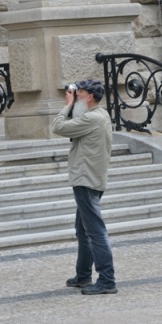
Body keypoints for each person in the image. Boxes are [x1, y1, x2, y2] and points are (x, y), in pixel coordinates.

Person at [50, 79, 117, 295]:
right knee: (82, 229)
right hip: (90, 178)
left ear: (89, 97)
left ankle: (107, 280)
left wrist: (68, 105)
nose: (76, 95)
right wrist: (74, 105)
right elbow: (77, 124)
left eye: (80, 93)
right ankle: (83, 275)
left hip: (85, 180)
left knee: (95, 231)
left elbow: (58, 127)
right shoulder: (100, 115)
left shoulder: (92, 118)